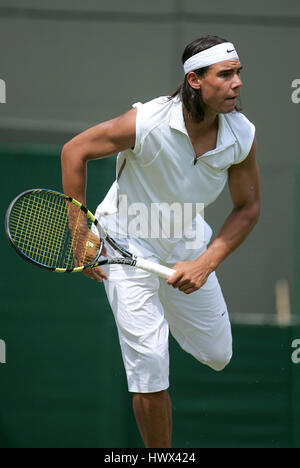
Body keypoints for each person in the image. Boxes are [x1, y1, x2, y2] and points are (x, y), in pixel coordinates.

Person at [61, 35, 260, 448]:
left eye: (238, 72)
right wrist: (81, 233)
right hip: (125, 244)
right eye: (226, 74)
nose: (237, 82)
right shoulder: (147, 122)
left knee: (219, 355)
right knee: (150, 366)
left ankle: (159, 312)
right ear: (195, 80)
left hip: (188, 247)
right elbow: (74, 151)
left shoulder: (241, 135)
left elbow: (248, 207)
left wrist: (205, 263)